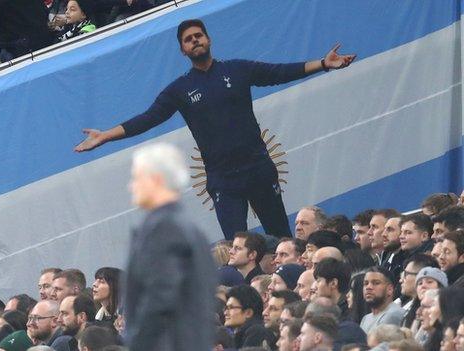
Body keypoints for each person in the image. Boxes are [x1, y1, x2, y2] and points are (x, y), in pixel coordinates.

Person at [74, 19, 355, 241]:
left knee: (282, 237)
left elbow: (279, 73)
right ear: (183, 50)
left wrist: (323, 64)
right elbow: (149, 118)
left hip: (258, 167)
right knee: (238, 247)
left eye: (198, 35)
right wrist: (106, 135)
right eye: (188, 39)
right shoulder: (179, 90)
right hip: (223, 180)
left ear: (208, 39)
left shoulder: (237, 69)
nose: (195, 40)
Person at [122, 143, 216, 350]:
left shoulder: (163, 227)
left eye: (136, 178)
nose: (131, 186)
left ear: (155, 179)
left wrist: (137, 345)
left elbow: (160, 295)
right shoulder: (190, 227)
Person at [360, 267, 405, 334]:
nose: (368, 287)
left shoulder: (393, 314)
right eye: (366, 283)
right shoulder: (366, 318)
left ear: (390, 289)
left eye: (376, 283)